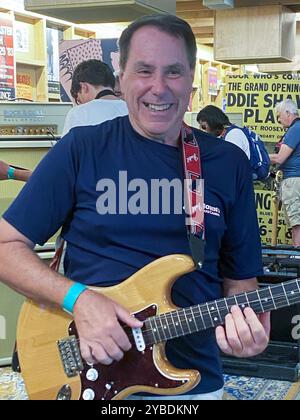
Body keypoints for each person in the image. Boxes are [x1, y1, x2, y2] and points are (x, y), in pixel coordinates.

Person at [0, 14, 269, 400]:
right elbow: (5, 247)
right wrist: (79, 298)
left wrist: (248, 332)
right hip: (88, 373)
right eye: (144, 70)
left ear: (191, 80)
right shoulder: (81, 149)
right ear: (121, 75)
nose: (158, 88)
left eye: (173, 72)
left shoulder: (227, 163)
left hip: (192, 380)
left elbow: (240, 282)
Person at [62, 59, 128, 136]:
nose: (81, 104)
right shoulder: (133, 110)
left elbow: (67, 147)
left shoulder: (78, 113)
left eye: (79, 100)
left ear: (84, 87)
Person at [269, 99, 300, 247]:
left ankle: (297, 257)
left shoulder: (295, 129)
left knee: (296, 223)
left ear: (288, 113)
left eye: (279, 115)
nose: (278, 120)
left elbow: (280, 157)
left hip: (294, 180)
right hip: (293, 179)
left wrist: (258, 158)